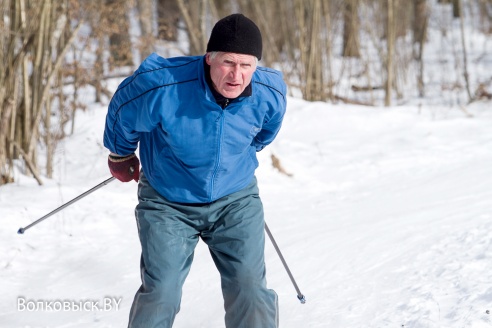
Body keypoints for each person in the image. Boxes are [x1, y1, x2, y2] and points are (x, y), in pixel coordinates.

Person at [103, 13, 287, 328]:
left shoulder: (271, 92)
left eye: (246, 65)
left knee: (251, 289)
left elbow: (262, 136)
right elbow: (124, 109)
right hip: (167, 200)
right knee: (162, 291)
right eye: (228, 62)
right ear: (209, 58)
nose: (237, 75)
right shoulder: (164, 85)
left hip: (235, 199)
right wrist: (120, 155)